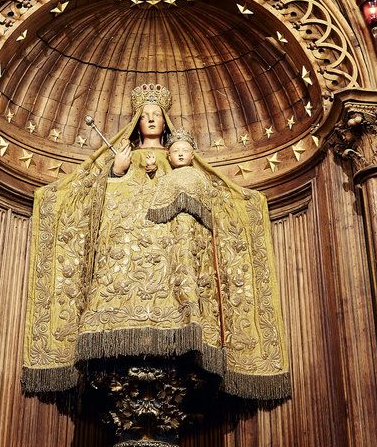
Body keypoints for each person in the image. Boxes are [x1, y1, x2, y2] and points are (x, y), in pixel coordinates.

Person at [23, 84, 290, 400]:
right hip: (125, 249)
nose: (151, 119)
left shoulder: (180, 160)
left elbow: (206, 193)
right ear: (137, 121)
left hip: (172, 252)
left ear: (165, 122)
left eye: (157, 115)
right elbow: (98, 198)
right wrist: (117, 172)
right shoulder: (125, 155)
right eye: (145, 115)